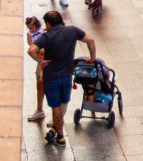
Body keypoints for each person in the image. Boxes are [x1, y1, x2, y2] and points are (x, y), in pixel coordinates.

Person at [28, 10, 96, 147]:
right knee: (64, 102)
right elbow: (90, 40)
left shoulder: (46, 37)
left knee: (55, 106)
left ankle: (60, 136)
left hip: (51, 78)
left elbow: (31, 50)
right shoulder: (72, 30)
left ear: (48, 23)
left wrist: (40, 61)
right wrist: (92, 58)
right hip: (67, 76)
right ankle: (55, 129)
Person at [25, 16, 47, 122]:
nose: (31, 30)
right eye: (30, 28)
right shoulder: (30, 35)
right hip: (41, 59)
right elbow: (30, 45)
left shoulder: (44, 30)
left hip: (46, 59)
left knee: (47, 86)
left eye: (33, 27)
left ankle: (56, 114)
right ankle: (40, 109)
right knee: (39, 85)